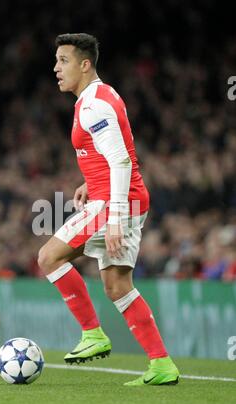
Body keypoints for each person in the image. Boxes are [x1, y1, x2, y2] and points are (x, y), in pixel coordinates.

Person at [38, 33, 179, 386]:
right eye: (56, 61)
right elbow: (119, 152)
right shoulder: (104, 94)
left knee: (48, 257)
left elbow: (119, 160)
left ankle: (93, 335)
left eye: (63, 61)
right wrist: (91, 180)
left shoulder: (93, 105)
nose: (56, 68)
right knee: (117, 286)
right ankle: (162, 365)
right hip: (123, 197)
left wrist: (115, 218)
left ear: (85, 64)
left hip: (116, 203)